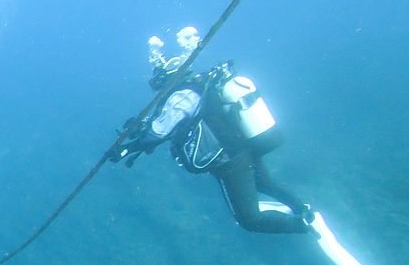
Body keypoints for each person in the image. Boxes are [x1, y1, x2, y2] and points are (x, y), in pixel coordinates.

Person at [110, 26, 314, 234]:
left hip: (229, 162)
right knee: (265, 184)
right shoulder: (201, 84)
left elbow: (157, 134)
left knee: (248, 218)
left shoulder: (181, 96)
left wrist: (125, 148)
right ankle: (303, 209)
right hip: (244, 148)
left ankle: (302, 226)